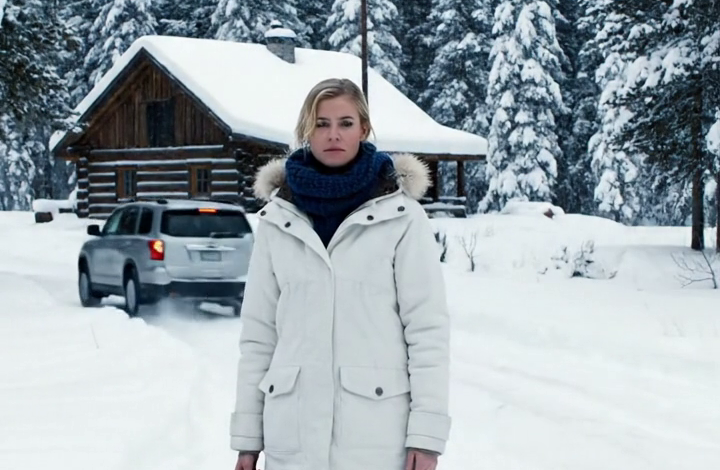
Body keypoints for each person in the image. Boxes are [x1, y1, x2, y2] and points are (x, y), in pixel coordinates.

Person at [230, 78, 451, 470]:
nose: (333, 134)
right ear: (307, 131)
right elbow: (259, 335)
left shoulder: (401, 216)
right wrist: (248, 439)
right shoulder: (277, 219)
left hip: (376, 437)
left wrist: (426, 436)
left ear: (363, 129)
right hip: (292, 437)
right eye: (322, 123)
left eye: (345, 123)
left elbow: (427, 331)